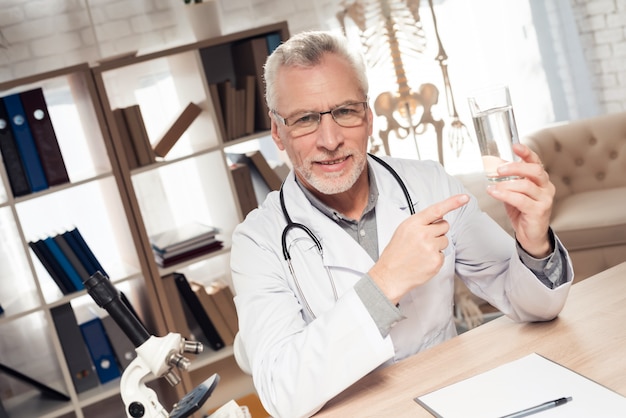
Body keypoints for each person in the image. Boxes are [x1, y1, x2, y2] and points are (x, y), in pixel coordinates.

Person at [230, 30, 573, 418]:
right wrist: (384, 282)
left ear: (368, 116)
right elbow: (281, 395)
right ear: (278, 131)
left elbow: (532, 307)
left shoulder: (429, 184)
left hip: (457, 397)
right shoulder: (257, 243)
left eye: (345, 111)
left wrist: (534, 244)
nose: (330, 139)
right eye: (305, 119)